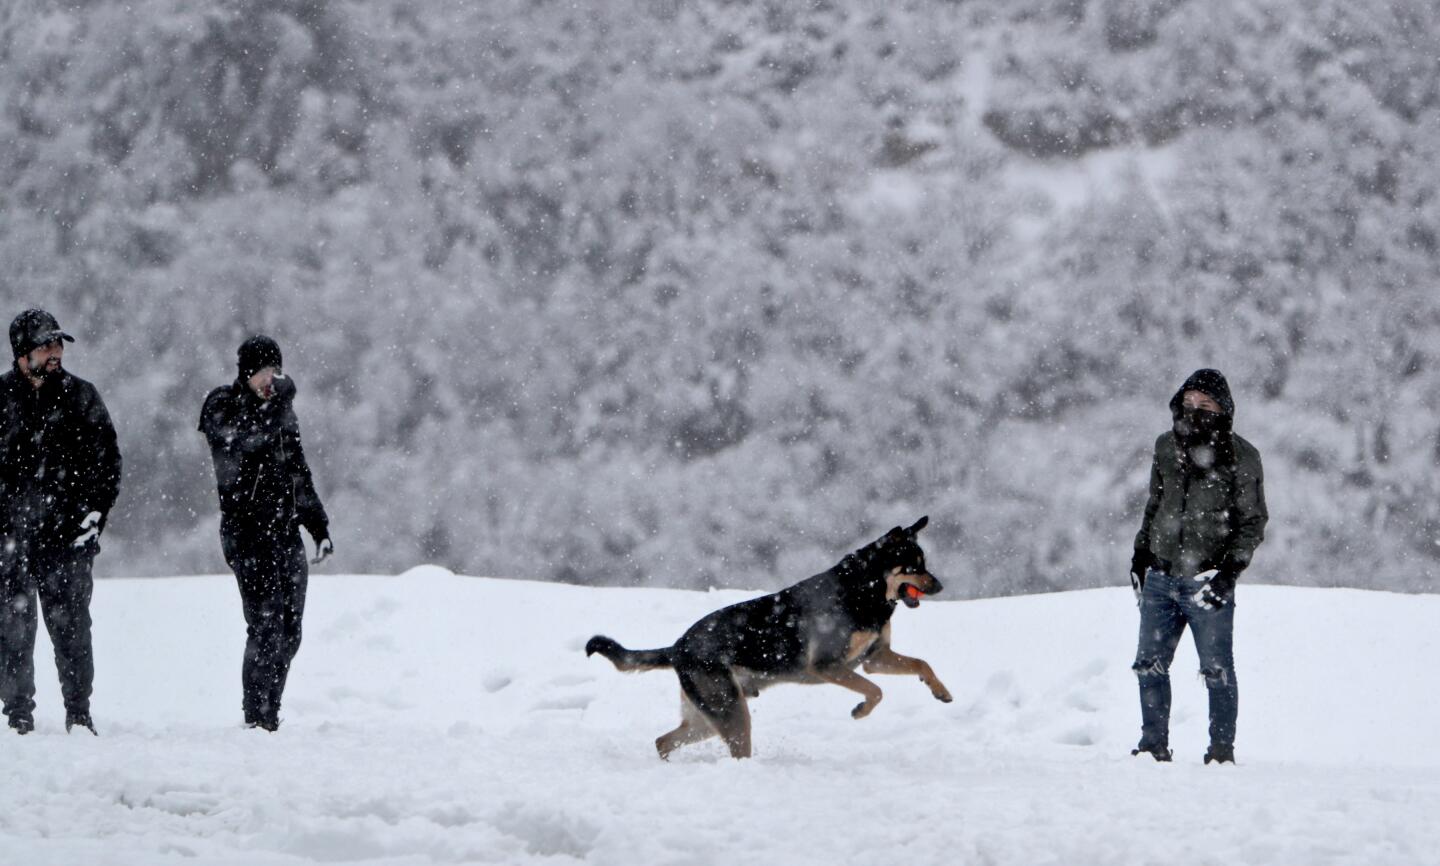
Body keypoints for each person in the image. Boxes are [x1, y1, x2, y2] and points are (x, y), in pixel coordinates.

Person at [1129, 369, 1267, 764]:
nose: (1195, 409)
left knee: (1217, 671)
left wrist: (1228, 574)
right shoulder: (1165, 446)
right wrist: (1140, 556)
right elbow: (1154, 506)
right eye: (1189, 401)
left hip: (1207, 580)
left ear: (1223, 409)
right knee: (1148, 666)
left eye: (1205, 404)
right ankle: (1152, 747)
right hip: (1160, 576)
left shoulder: (1243, 456)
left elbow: (1253, 522)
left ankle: (1221, 753)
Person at [199, 335, 332, 731]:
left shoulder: (281, 414)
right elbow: (247, 439)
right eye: (262, 372)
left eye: (275, 371)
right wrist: (279, 404)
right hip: (246, 533)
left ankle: (270, 710)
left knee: (291, 630)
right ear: (245, 372)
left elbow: (298, 471)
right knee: (265, 625)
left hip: (285, 531)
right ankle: (257, 718)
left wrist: (317, 526)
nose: (268, 380)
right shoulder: (221, 405)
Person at [0, 309, 122, 736]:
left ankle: (78, 713)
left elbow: (108, 463)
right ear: (22, 353)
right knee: (11, 628)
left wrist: (93, 517)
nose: (56, 352)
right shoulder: (1, 400)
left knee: (71, 627)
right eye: (45, 345)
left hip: (67, 536)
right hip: (8, 536)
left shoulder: (80, 396)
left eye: (58, 344)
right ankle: (17, 716)